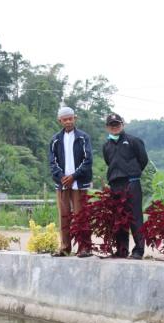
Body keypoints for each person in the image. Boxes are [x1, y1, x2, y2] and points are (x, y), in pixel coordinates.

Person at [102, 113, 149, 259]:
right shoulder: (106, 145)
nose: (115, 127)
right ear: (107, 128)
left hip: (132, 182)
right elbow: (108, 162)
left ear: (123, 124)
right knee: (119, 218)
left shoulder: (133, 141)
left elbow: (143, 160)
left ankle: (138, 250)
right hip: (115, 184)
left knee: (135, 217)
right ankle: (122, 250)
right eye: (112, 125)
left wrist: (132, 172)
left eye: (117, 124)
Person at [48, 106, 93, 257]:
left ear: (75, 118)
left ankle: (84, 248)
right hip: (62, 184)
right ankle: (65, 248)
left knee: (81, 216)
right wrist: (62, 177)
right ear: (59, 120)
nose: (68, 121)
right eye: (65, 119)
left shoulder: (83, 137)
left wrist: (73, 176)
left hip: (79, 184)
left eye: (70, 118)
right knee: (64, 216)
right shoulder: (55, 139)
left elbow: (88, 161)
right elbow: (52, 162)